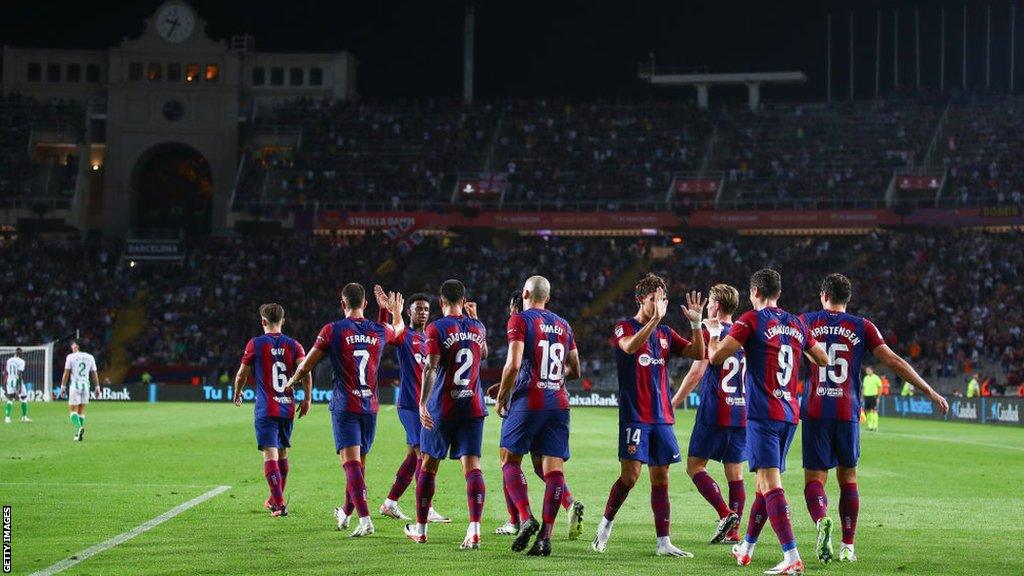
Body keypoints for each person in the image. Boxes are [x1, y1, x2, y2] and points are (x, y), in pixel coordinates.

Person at [799, 273, 949, 564]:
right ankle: (848, 546)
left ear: (823, 295)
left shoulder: (806, 322)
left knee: (815, 479)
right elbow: (893, 361)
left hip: (816, 410)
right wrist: (929, 390)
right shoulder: (862, 326)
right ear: (848, 299)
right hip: (847, 411)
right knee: (849, 479)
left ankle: (821, 521)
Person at [707, 268, 828, 576]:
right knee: (762, 485)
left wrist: (710, 330)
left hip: (763, 414)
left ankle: (791, 557)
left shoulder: (750, 319)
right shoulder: (797, 323)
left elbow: (716, 357)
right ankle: (746, 549)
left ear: (755, 293)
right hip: (790, 413)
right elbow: (824, 359)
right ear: (778, 293)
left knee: (770, 485)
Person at [592, 273, 706, 558]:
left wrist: (696, 324)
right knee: (630, 478)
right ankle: (604, 527)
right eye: (654, 299)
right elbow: (629, 347)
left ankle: (663, 542)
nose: (659, 305)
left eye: (662, 300)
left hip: (661, 416)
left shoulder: (666, 334)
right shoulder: (624, 327)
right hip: (635, 416)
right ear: (640, 299)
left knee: (661, 478)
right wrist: (655, 320)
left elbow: (697, 353)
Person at [286, 283, 406, 537]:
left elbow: (306, 366)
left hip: (345, 405)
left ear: (342, 304)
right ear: (365, 304)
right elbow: (397, 332)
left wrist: (291, 382)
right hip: (370, 407)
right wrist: (391, 312)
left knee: (350, 465)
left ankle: (365, 520)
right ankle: (347, 513)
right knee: (358, 466)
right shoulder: (378, 329)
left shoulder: (332, 330)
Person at [495, 276, 583, 556]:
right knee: (553, 471)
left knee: (510, 461)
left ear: (525, 292)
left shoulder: (520, 320)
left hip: (528, 402)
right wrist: (551, 377)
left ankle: (525, 517)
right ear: (548, 297)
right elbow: (575, 369)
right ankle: (545, 538)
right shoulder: (564, 324)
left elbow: (514, 363)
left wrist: (502, 397)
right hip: (558, 402)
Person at [403, 279, 488, 549]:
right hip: (473, 406)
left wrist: (422, 402)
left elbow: (430, 366)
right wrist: (476, 320)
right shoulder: (478, 326)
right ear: (464, 301)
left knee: (428, 466)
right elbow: (483, 353)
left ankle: (421, 530)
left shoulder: (436, 327)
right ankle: (474, 529)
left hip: (443, 407)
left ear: (441, 302)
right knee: (472, 467)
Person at [671, 284, 745, 544]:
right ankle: (734, 532)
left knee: (694, 466)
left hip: (715, 408)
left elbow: (697, 371)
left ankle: (725, 514)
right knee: (734, 472)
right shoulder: (743, 333)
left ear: (717, 306)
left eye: (710, 302)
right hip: (741, 410)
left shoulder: (710, 331)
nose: (708, 306)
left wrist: (675, 401)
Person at [373, 286, 449, 524]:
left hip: (428, 406)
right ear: (409, 312)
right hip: (409, 405)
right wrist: (385, 311)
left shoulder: (433, 337)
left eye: (426, 309)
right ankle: (427, 508)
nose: (423, 313)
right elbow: (385, 332)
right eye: (418, 309)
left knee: (411, 456)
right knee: (423, 454)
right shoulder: (404, 335)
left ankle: (390, 503)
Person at [232, 303, 311, 517]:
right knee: (283, 453)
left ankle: (279, 504)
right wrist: (307, 399)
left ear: (263, 322)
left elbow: (241, 374)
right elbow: (305, 370)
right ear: (283, 321)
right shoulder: (294, 345)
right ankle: (274, 499)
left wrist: (238, 392)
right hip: (287, 407)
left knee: (270, 455)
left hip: (266, 408)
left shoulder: (255, 344)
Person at [58, 341, 101, 441]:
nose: (71, 346)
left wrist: (63, 387)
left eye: (72, 344)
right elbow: (94, 374)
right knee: (81, 411)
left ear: (77, 346)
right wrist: (97, 387)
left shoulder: (70, 357)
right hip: (86, 386)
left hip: (75, 386)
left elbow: (66, 373)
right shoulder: (90, 357)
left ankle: (79, 428)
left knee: (73, 411)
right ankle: (78, 435)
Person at [4, 348, 30, 423]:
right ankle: (24, 417)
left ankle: (7, 418)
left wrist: (5, 383)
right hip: (17, 381)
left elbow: (6, 372)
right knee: (24, 397)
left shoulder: (9, 360)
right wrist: (19, 389)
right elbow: (19, 374)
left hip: (9, 381)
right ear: (20, 354)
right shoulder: (21, 361)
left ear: (15, 353)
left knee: (10, 399)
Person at [861, 366, 882, 432]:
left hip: (873, 396)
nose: (867, 371)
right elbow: (863, 388)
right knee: (867, 411)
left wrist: (878, 397)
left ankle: (875, 426)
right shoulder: (865, 378)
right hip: (866, 396)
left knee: (874, 411)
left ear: (872, 370)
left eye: (868, 370)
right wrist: (862, 397)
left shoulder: (876, 378)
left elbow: (880, 387)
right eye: (867, 370)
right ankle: (870, 426)